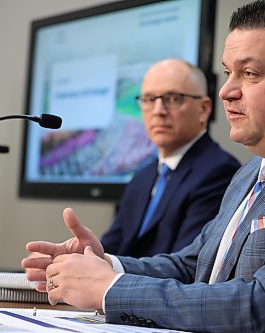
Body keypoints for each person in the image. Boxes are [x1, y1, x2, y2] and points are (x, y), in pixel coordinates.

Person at [22, 1, 265, 332]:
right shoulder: (254, 169)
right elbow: (195, 264)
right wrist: (106, 264)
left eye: (250, 73)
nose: (227, 91)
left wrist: (110, 289)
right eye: (229, 73)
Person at [100, 59, 240, 257]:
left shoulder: (220, 172)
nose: (158, 111)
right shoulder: (142, 178)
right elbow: (111, 247)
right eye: (149, 99)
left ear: (204, 109)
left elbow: (184, 267)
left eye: (173, 99)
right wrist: (83, 256)